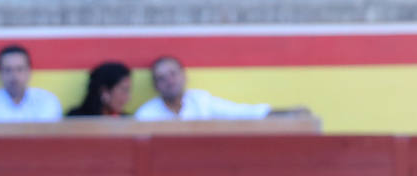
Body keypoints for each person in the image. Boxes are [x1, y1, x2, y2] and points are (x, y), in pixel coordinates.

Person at [134, 55, 272, 121]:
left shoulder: (200, 100)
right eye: (162, 78)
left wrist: (279, 114)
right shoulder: (146, 114)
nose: (169, 81)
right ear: (156, 86)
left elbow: (241, 112)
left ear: (184, 76)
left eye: (173, 74)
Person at [0, 45, 61, 122]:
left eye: (19, 69)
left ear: (29, 72)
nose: (14, 76)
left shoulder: (47, 101)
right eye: (8, 70)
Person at [66, 61, 133, 117]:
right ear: (104, 92)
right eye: (124, 90)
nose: (128, 98)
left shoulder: (126, 120)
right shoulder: (76, 119)